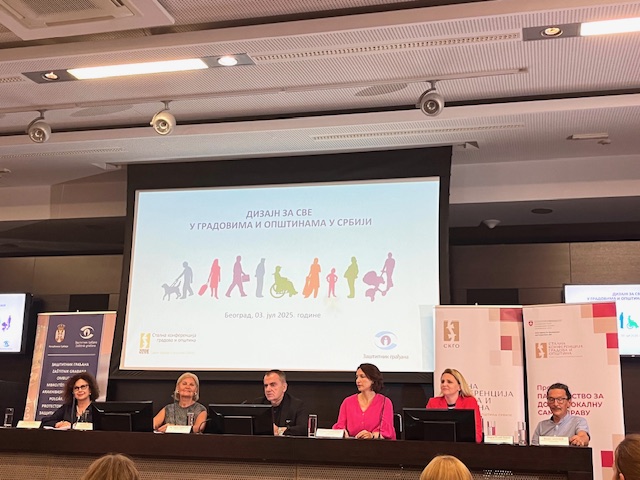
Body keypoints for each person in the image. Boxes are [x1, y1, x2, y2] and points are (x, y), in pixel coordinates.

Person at [332, 363, 395, 439]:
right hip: (351, 444)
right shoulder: (347, 402)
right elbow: (340, 427)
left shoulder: (385, 402)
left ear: (372, 380)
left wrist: (372, 436)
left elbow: (387, 432)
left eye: (362, 376)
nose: (358, 381)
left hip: (376, 444)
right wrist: (342, 433)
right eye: (357, 377)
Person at [426, 368, 482, 443]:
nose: (444, 384)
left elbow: (477, 435)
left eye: (449, 382)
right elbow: (427, 432)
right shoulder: (433, 402)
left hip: (464, 446)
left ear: (459, 387)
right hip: (439, 446)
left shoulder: (470, 402)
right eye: (442, 381)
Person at [252, 369, 309, 436]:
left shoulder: (297, 405)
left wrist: (279, 430)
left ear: (284, 387)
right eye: (266, 385)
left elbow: (304, 429)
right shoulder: (258, 404)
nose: (268, 389)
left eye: (273, 385)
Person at [531, 382, 590, 446]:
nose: (555, 404)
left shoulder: (578, 422)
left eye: (560, 399)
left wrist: (581, 439)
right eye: (551, 399)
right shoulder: (541, 426)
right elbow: (533, 449)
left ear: (569, 402)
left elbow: (583, 436)